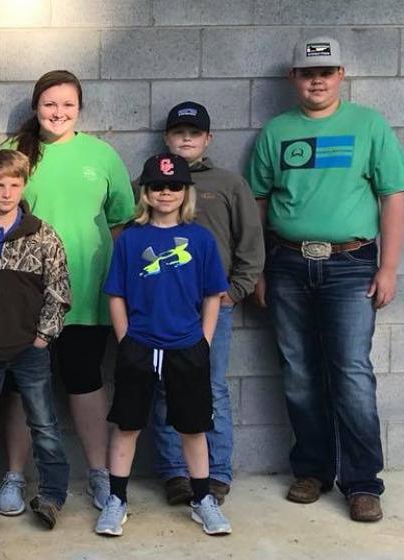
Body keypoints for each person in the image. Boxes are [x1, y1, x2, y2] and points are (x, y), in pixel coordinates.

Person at [248, 37, 404, 522]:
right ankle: (313, 470)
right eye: (306, 72)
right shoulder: (276, 131)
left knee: (351, 374)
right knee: (299, 373)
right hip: (286, 264)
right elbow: (258, 202)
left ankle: (363, 483)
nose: (316, 80)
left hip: (350, 266)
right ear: (293, 79)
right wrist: (258, 267)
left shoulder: (368, 125)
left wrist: (388, 267)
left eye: (325, 72)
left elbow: (394, 197)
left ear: (341, 75)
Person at [0, 70, 134, 513]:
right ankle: (15, 477)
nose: (58, 112)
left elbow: (120, 224)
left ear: (79, 109)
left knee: (86, 382)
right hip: (26, 298)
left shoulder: (102, 155)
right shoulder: (13, 153)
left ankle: (99, 474)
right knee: (21, 389)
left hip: (85, 294)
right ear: (36, 107)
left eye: (67, 105)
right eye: (50, 104)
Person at [97, 153, 232, 537]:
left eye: (174, 186)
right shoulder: (131, 239)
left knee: (192, 427)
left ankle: (202, 498)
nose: (166, 192)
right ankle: (117, 498)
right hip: (140, 344)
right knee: (127, 424)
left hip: (186, 344)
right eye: (158, 185)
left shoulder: (200, 239)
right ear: (147, 192)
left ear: (185, 191)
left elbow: (212, 295)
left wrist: (203, 341)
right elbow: (116, 294)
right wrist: (126, 340)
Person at [147, 102, 264, 506]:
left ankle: (216, 473)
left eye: (194, 133)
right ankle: (175, 473)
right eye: (178, 132)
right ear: (167, 138)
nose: (185, 138)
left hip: (212, 305)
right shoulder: (150, 184)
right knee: (165, 387)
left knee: (210, 387)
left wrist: (235, 291)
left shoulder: (229, 184)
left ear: (207, 139)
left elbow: (250, 243)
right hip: (164, 307)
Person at [0, 149, 71, 532]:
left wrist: (43, 336)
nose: (6, 192)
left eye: (14, 184)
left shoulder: (41, 234)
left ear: (23, 186)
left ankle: (53, 495)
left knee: (44, 424)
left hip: (29, 348)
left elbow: (59, 288)